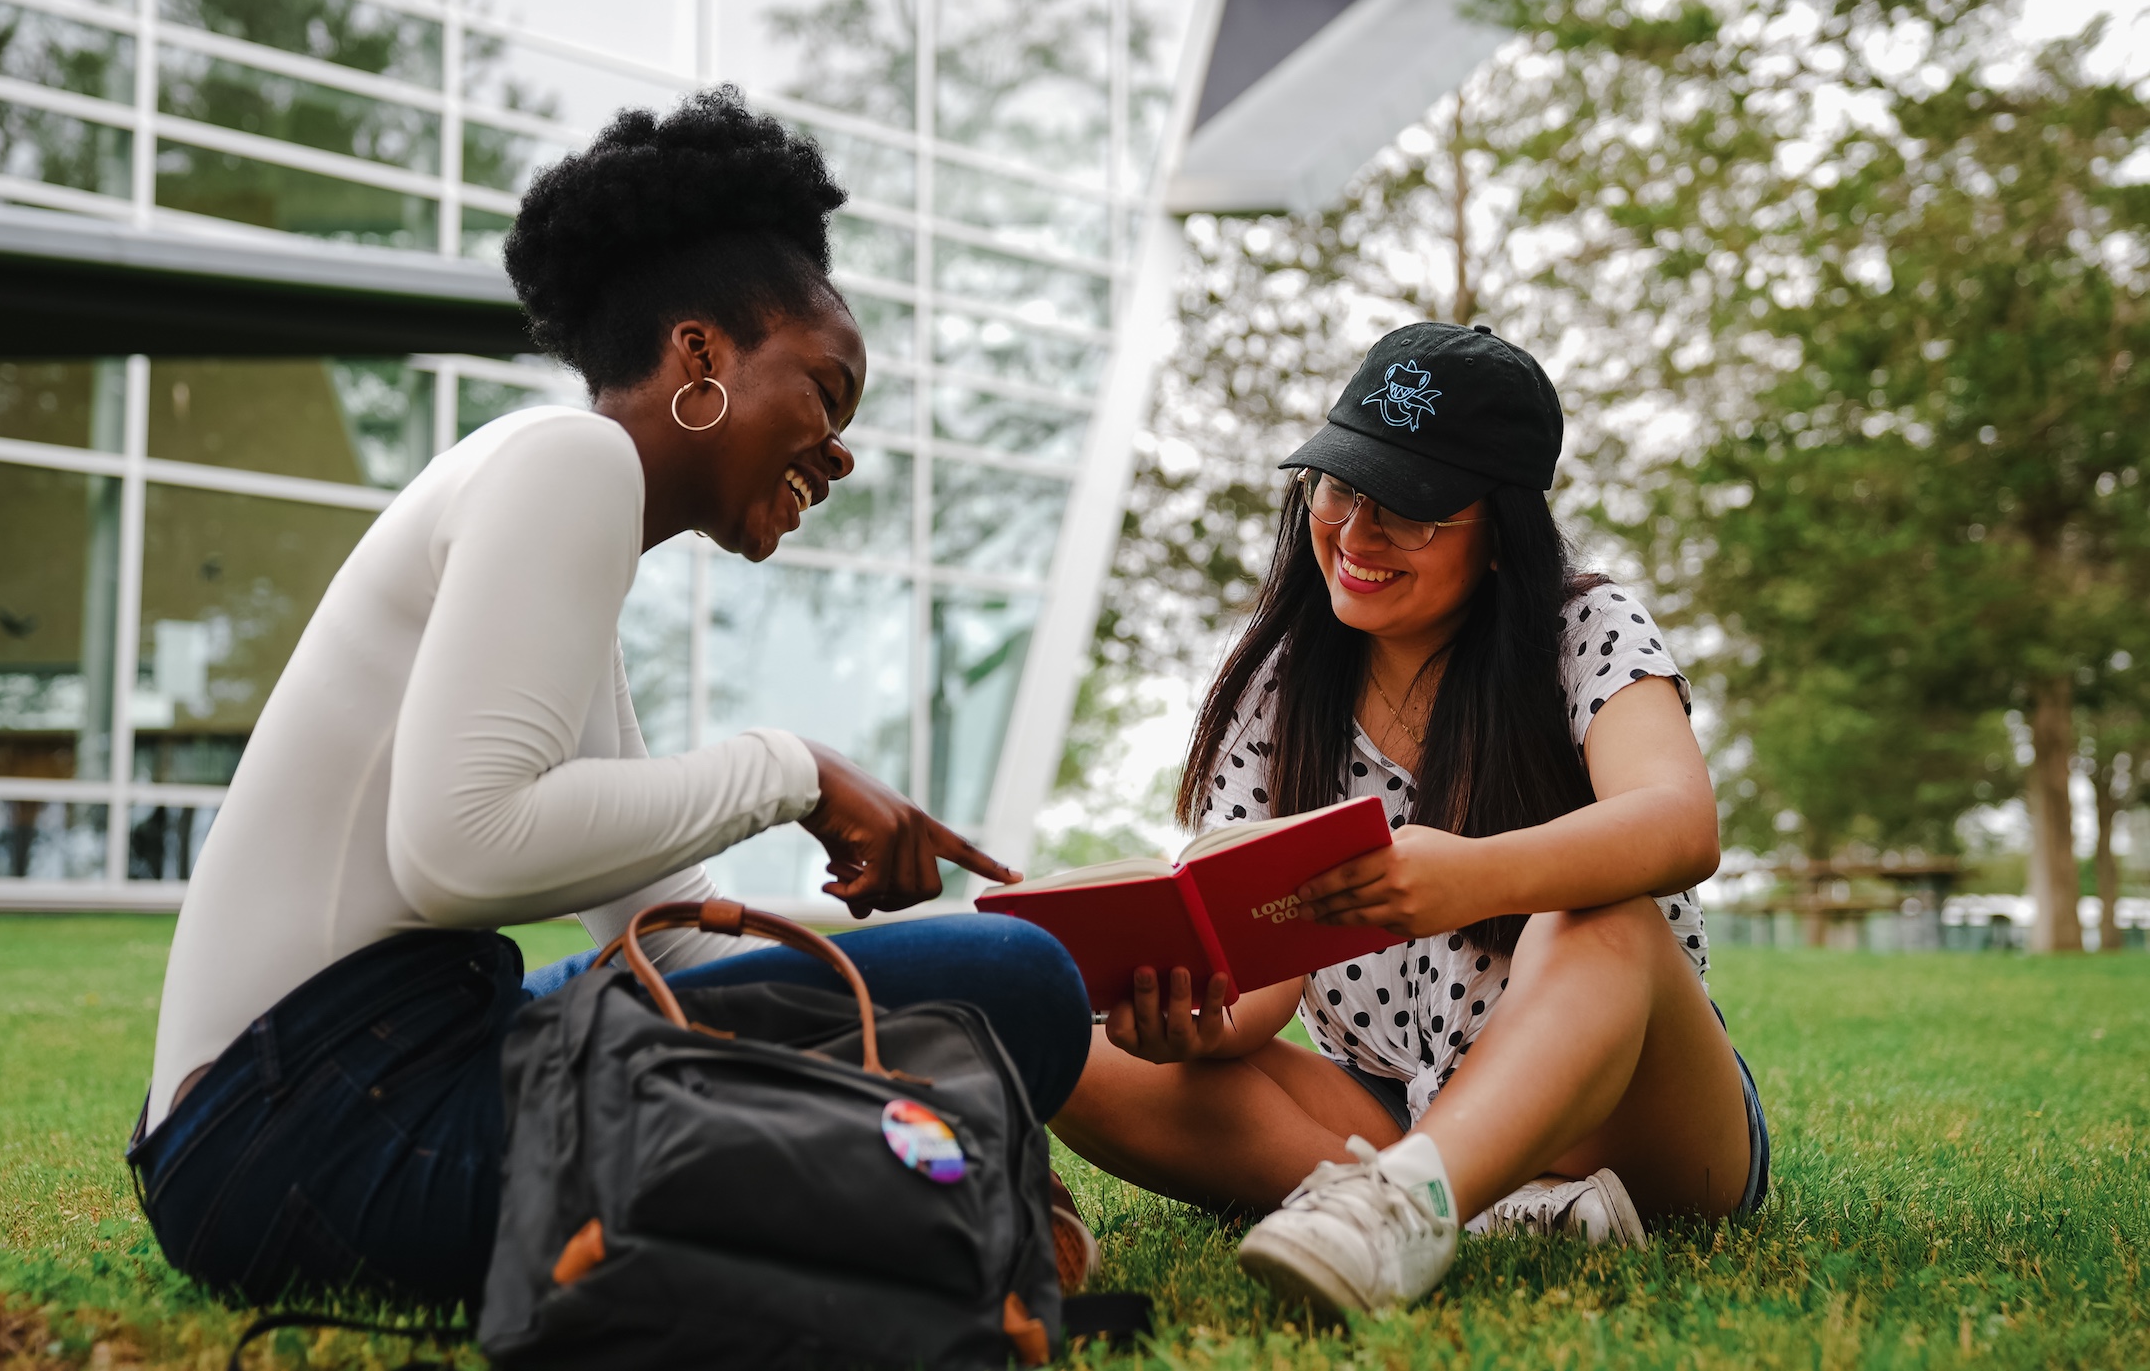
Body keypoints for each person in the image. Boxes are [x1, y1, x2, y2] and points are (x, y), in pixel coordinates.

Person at [127, 89, 1092, 1306]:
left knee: (992, 972)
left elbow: (666, 938)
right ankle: (939, 1187)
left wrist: (900, 958)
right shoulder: (565, 459)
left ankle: (926, 1180)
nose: (840, 452)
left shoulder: (569, 516)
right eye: (827, 392)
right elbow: (459, 854)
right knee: (1019, 987)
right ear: (700, 355)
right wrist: (789, 769)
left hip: (289, 1120)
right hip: (320, 1129)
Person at [1050, 322, 1769, 1312]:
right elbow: (1259, 992)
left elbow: (1679, 823)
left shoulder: (1585, 626)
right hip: (1387, 1104)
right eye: (1339, 485)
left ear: (1502, 528)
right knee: (1068, 1036)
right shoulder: (1279, 682)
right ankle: (1466, 1203)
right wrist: (1190, 1021)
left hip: (1631, 1112)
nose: (1352, 534)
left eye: (1410, 511)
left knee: (1598, 908)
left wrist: (1469, 874)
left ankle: (1405, 1206)